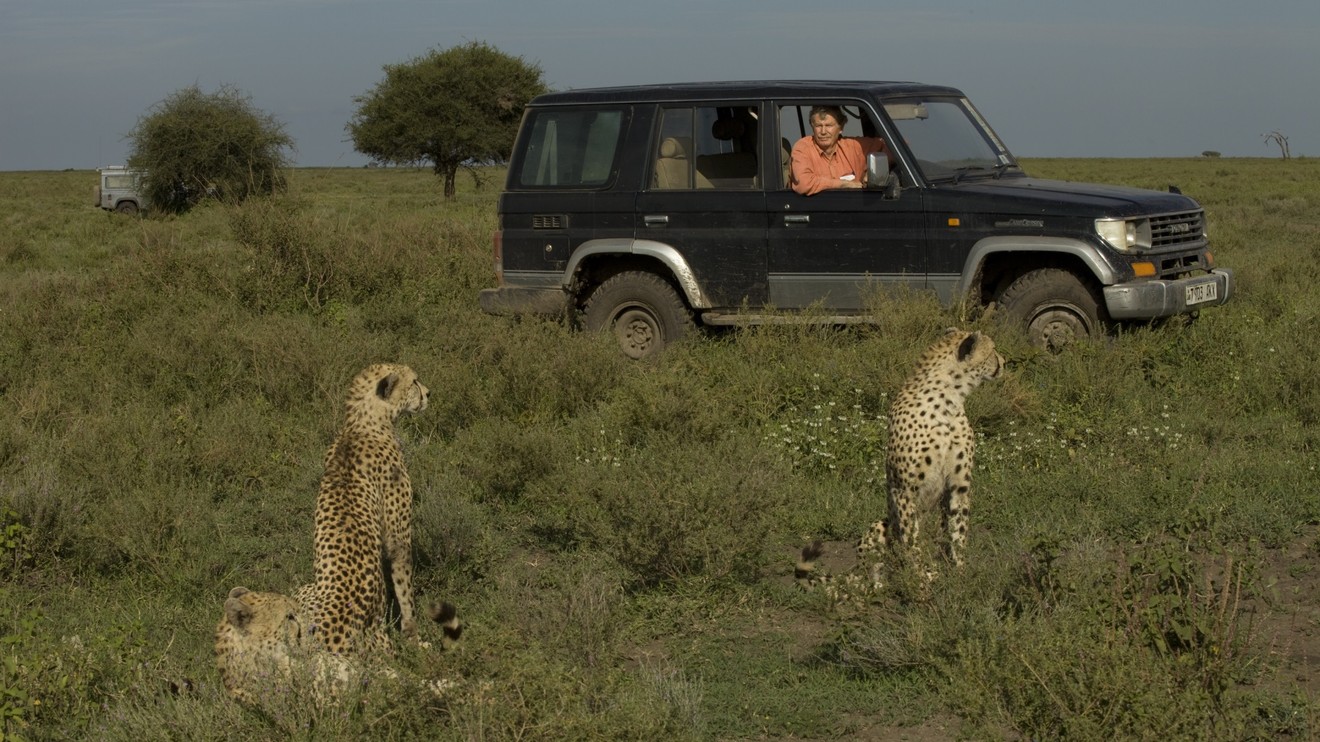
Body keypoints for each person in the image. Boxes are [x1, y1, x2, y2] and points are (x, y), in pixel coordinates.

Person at [790, 105, 887, 195]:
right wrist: (842, 184)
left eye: (829, 126)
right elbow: (804, 184)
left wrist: (871, 173)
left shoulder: (852, 146)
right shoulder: (802, 148)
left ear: (841, 128)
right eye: (818, 126)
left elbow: (891, 147)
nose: (823, 132)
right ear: (812, 127)